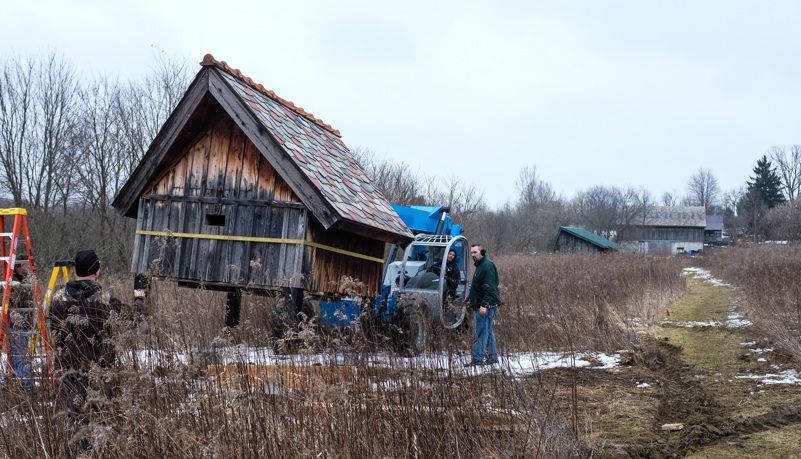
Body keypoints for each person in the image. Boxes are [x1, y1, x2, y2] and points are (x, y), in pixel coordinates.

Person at [50, 250, 145, 455]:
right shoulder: (103, 299)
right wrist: (139, 300)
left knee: (75, 421)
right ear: (96, 270)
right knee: (99, 424)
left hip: (68, 373)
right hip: (98, 373)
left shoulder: (57, 299)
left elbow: (56, 335)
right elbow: (133, 318)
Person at [463, 244, 501, 366]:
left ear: (482, 252)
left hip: (485, 307)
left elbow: (489, 288)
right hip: (482, 304)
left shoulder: (487, 266)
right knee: (488, 332)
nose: (473, 255)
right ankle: (493, 357)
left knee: (480, 333)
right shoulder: (481, 266)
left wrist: (484, 305)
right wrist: (469, 298)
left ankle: (478, 360)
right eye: (472, 253)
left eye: (475, 252)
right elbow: (478, 287)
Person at [8, 256, 34, 388]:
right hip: (17, 325)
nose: (30, 267)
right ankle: (25, 385)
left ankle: (12, 382)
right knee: (18, 355)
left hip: (25, 324)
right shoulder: (11, 280)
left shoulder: (26, 279)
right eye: (27, 265)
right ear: (22, 265)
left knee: (17, 354)